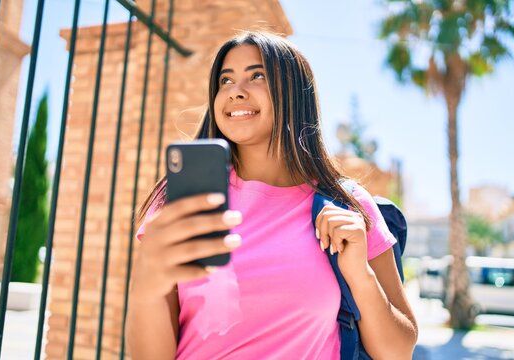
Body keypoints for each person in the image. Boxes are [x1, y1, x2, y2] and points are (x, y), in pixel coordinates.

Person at [125, 31, 418, 359]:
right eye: (225, 80)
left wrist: (360, 276)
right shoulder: (181, 199)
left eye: (257, 75)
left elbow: (398, 352)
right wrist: (146, 285)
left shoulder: (349, 205)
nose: (235, 92)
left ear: (293, 93)